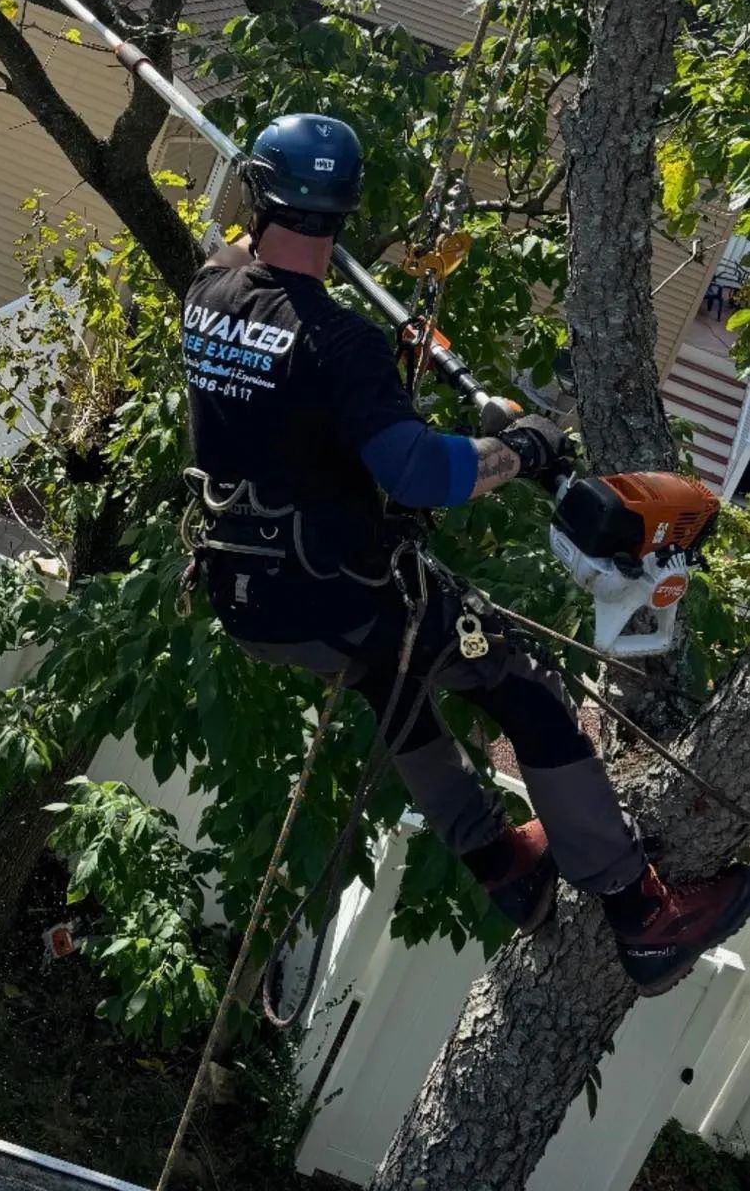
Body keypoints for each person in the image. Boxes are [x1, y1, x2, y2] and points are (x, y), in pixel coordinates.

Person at [182, 113, 750, 997]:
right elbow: (418, 473)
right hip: (338, 592)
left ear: (258, 195)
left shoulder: (208, 295)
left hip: (246, 593)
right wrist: (522, 446)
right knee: (521, 687)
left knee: (392, 677)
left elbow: (243, 271)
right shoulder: (341, 344)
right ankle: (635, 907)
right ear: (346, 210)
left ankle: (501, 859)